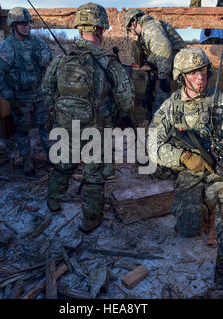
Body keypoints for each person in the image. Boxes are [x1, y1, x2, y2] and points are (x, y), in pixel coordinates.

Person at [147, 47, 223, 290]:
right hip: (189, 172)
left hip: (219, 170)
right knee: (188, 230)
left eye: (203, 71)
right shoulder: (170, 108)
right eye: (193, 73)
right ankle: (202, 206)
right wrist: (182, 156)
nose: (200, 77)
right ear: (182, 77)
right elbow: (152, 145)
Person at [43, 2, 134, 233]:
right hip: (97, 129)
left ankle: (53, 201)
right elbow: (126, 100)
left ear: (79, 28)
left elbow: (46, 89)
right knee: (94, 175)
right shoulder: (109, 62)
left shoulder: (62, 58)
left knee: (63, 164)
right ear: (101, 29)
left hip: (66, 125)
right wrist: (116, 115)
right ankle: (89, 220)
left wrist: (58, 113)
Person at [0, 7, 52, 176]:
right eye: (22, 24)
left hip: (39, 95)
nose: (26, 27)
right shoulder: (6, 46)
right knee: (23, 130)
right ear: (13, 25)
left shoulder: (36, 41)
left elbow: (49, 57)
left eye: (28, 24)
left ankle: (52, 157)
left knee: (46, 127)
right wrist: (9, 96)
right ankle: (27, 161)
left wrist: (43, 58)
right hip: (21, 98)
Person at [124, 8, 186, 116]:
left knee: (160, 110)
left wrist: (163, 77)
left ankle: (157, 130)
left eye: (130, 30)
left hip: (176, 70)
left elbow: (163, 48)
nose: (132, 33)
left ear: (133, 23)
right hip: (173, 69)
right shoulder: (148, 29)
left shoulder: (149, 27)